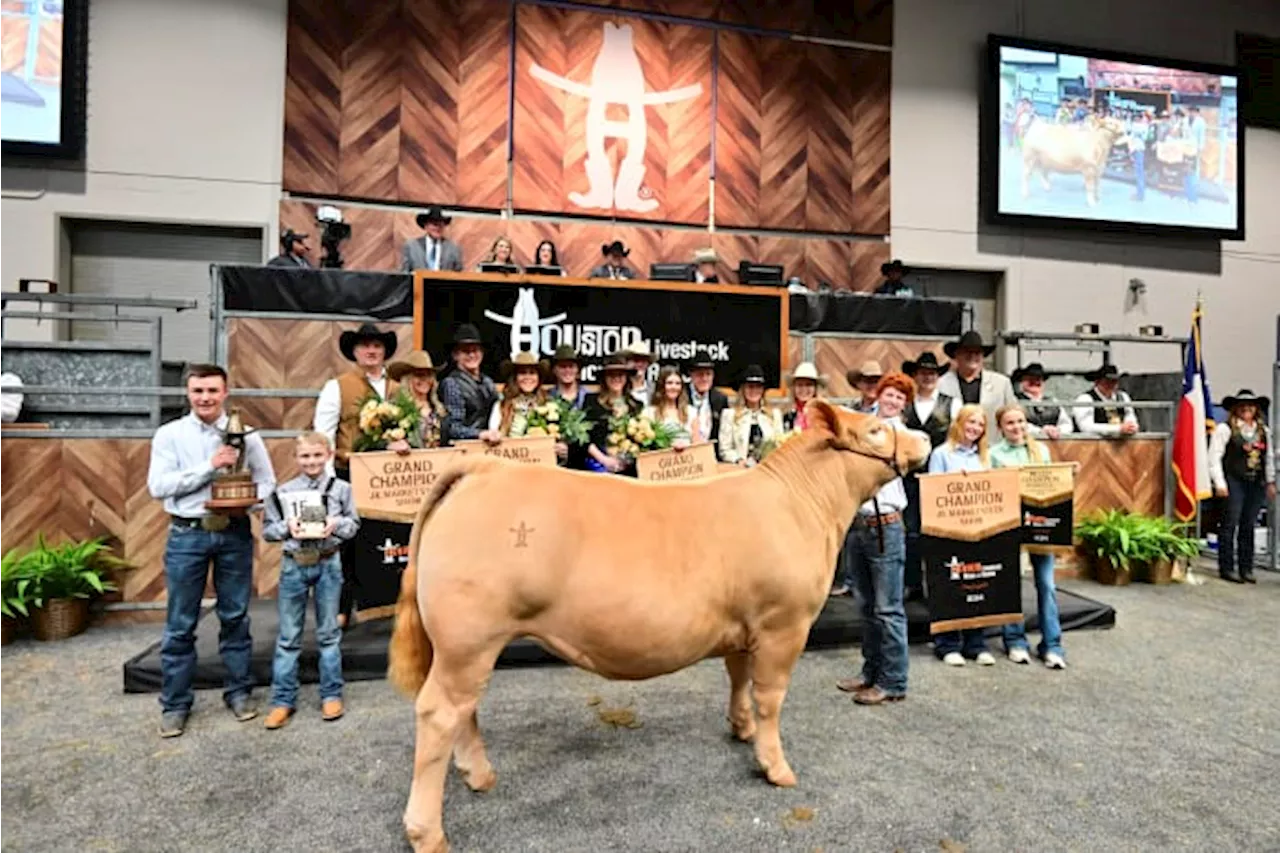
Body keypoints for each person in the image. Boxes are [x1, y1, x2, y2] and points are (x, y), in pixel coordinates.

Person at [147, 364, 277, 739]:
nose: (204, 398)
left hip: (234, 532)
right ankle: (175, 704)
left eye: (211, 391)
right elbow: (158, 486)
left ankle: (239, 693)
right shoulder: (169, 435)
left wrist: (248, 502)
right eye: (198, 391)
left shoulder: (247, 435)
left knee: (235, 616)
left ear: (225, 393)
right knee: (180, 623)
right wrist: (210, 467)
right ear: (188, 393)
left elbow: (267, 481)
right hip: (187, 534)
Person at [261, 432, 361, 729]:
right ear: (296, 458)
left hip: (329, 561)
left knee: (328, 633)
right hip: (294, 564)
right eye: (305, 456)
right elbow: (268, 530)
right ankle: (282, 700)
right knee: (289, 636)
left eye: (317, 455)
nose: (312, 461)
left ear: (328, 455)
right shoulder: (284, 492)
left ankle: (331, 694)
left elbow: (354, 525)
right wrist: (287, 527)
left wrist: (336, 524)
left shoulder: (342, 489)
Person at [834, 372, 915, 705]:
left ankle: (893, 680)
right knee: (866, 605)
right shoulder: (866, 426)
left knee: (888, 608)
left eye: (899, 397)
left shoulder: (903, 435)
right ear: (878, 396)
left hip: (886, 524)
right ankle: (871, 672)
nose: (892, 401)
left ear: (904, 405)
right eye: (889, 394)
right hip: (860, 522)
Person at [313, 322, 398, 627]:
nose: (372, 351)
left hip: (389, 478)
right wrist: (327, 482)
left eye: (377, 345)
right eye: (365, 346)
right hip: (348, 474)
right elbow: (323, 435)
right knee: (346, 544)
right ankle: (341, 608)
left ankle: (384, 606)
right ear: (355, 351)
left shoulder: (398, 389)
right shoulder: (337, 386)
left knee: (384, 541)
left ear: (384, 350)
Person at [990, 404, 1067, 670]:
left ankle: (1052, 645)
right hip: (1010, 525)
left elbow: (1052, 485)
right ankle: (1015, 641)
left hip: (1040, 526)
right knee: (1011, 585)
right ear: (1000, 427)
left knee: (1046, 585)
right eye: (1010, 423)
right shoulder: (993, 454)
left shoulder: (1040, 450)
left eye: (1020, 422)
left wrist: (1069, 475)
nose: (1017, 427)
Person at [927, 404, 996, 667]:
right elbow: (934, 490)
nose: (975, 428)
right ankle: (947, 644)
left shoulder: (985, 457)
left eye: (980, 425)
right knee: (951, 587)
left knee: (977, 586)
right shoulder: (941, 454)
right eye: (971, 423)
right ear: (960, 422)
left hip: (979, 531)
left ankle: (976, 644)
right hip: (949, 531)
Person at [901, 352, 960, 601]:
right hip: (908, 478)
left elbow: (956, 440)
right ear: (914, 375)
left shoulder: (953, 403)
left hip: (940, 477)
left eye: (932, 373)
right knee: (911, 533)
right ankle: (912, 583)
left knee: (938, 533)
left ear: (938, 376)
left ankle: (938, 583)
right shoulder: (904, 404)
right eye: (923, 372)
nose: (928, 377)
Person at [1209, 390, 1276, 584]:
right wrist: (1220, 483)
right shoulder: (1225, 429)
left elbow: (1268, 457)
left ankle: (1246, 567)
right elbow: (1214, 457)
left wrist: (1270, 481)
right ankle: (1227, 567)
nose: (1247, 409)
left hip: (1256, 482)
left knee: (1249, 525)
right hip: (1234, 480)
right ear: (1236, 409)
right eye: (1243, 406)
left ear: (1256, 409)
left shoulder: (1264, 431)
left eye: (1251, 406)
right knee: (1230, 523)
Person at [936, 330, 1017, 425]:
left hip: (991, 439)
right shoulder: (940, 384)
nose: (972, 356)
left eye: (977, 353)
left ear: (983, 356)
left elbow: (1014, 414)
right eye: (967, 352)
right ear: (956, 355)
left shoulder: (1002, 384)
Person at [439, 323, 500, 443]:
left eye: (475, 350)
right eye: (466, 351)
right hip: (463, 450)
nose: (472, 355)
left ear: (482, 353)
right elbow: (453, 428)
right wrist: (481, 434)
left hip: (490, 447)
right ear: (455, 355)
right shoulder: (451, 383)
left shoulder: (488, 382)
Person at [584, 353, 643, 475]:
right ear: (604, 378)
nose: (616, 378)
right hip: (598, 466)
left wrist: (626, 460)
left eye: (620, 374)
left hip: (628, 469)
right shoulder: (591, 401)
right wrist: (604, 460)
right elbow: (584, 438)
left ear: (626, 377)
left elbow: (641, 440)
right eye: (611, 374)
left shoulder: (636, 405)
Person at [718, 364, 783, 466]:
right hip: (740, 471)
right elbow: (725, 449)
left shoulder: (774, 415)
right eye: (750, 387)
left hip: (766, 470)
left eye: (758, 387)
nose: (754, 391)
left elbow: (780, 446)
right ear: (743, 389)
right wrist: (738, 460)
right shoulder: (730, 415)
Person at [385, 350, 449, 451]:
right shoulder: (395, 408)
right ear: (408, 379)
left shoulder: (438, 408)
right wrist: (392, 445)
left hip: (438, 461)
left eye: (428, 375)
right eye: (419, 375)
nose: (424, 379)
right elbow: (381, 439)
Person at [488, 352, 551, 437]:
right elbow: (493, 434)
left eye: (532, 373)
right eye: (522, 372)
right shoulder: (501, 406)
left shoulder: (547, 403)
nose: (528, 377)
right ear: (515, 378)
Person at [1072, 364, 1139, 437]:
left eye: (1114, 381)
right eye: (1107, 381)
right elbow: (1086, 427)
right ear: (1097, 382)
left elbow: (1130, 417)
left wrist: (1131, 427)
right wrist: (1118, 429)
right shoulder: (1085, 399)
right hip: (1093, 446)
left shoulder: (1123, 397)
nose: (1111, 384)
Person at [548, 345, 587, 466]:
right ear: (554, 370)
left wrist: (572, 449)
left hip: (584, 462)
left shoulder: (589, 398)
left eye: (571, 366)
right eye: (562, 367)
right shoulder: (546, 398)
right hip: (553, 461)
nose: (567, 370)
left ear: (577, 370)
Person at [1011, 363, 1073, 439]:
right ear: (1023, 381)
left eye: (1038, 379)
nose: (1035, 382)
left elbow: (1067, 424)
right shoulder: (1015, 400)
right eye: (1030, 379)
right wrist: (1041, 431)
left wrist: (1058, 430)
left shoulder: (1053, 401)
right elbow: (1017, 423)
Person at [686, 357, 728, 458]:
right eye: (700, 374)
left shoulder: (720, 399)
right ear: (691, 375)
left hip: (710, 455)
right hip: (686, 455)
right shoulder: (682, 394)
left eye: (708, 374)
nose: (704, 379)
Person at [401, 205, 463, 273]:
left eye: (440, 224)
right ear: (426, 225)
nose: (437, 228)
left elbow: (458, 273)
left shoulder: (453, 248)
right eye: (434, 224)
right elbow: (405, 272)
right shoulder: (412, 246)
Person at [782, 362, 825, 431]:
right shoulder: (788, 418)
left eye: (808, 385)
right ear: (794, 388)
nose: (804, 389)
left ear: (815, 388)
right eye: (800, 385)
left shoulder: (824, 416)